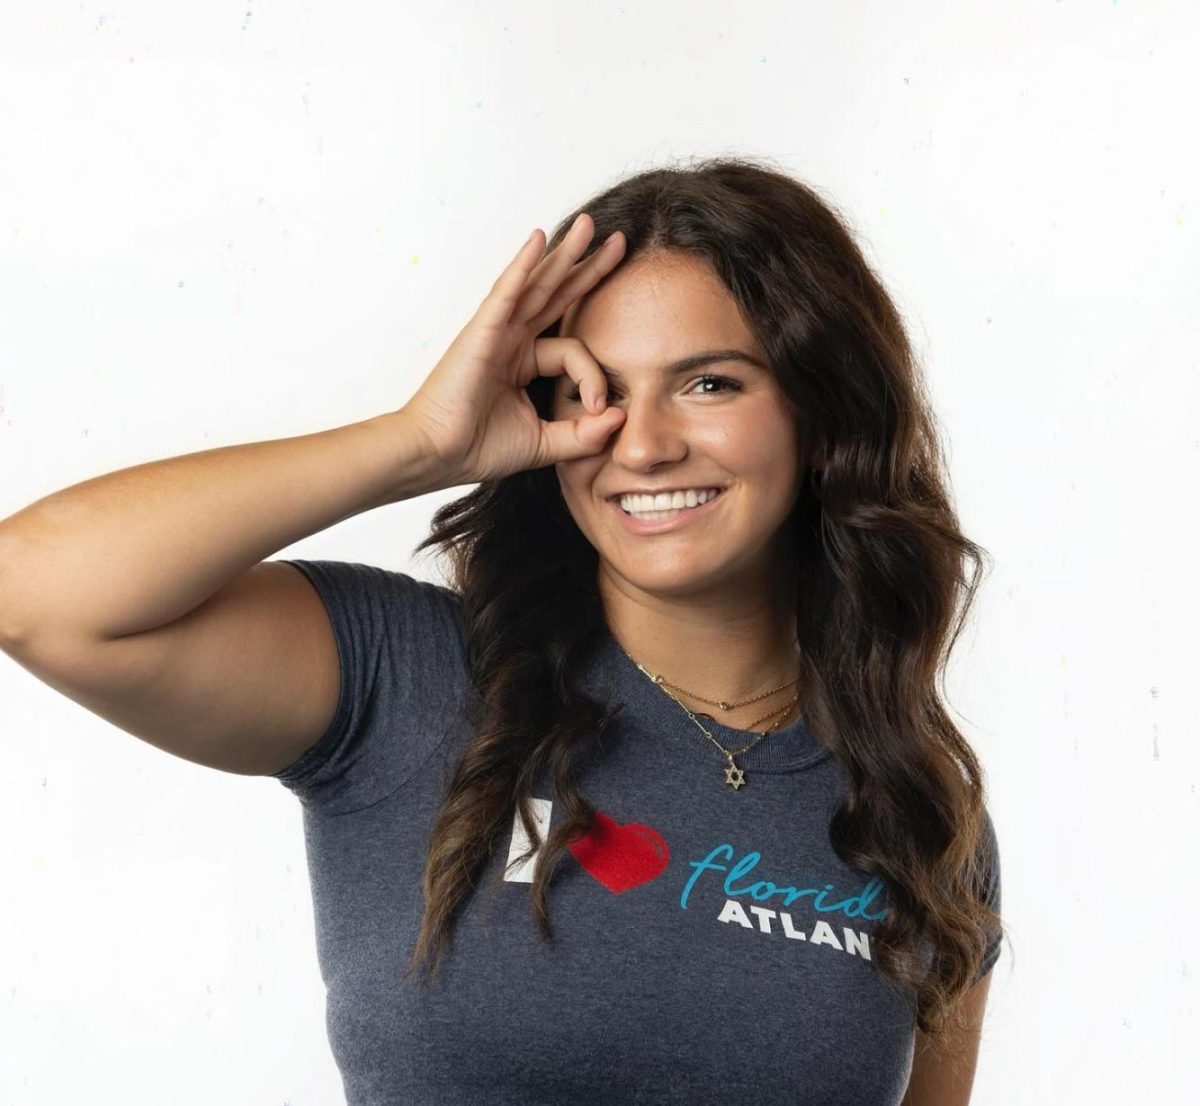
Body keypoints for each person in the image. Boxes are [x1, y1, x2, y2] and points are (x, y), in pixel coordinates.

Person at [0, 156, 1005, 1105]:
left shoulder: (917, 808)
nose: (644, 444)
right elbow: (34, 590)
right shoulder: (405, 680)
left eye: (709, 382)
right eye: (591, 389)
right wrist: (417, 441)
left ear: (825, 418)